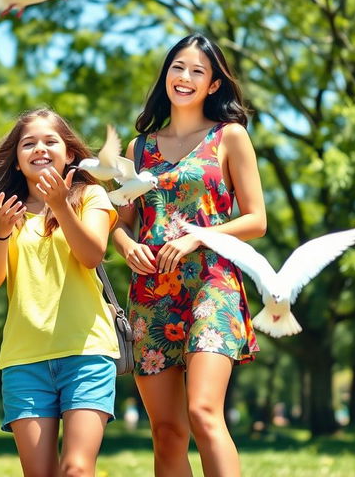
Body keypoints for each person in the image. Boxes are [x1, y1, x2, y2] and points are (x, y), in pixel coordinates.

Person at [112, 34, 266, 477]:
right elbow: (121, 223)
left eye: (198, 71)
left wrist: (198, 236)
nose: (185, 77)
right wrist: (127, 247)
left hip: (213, 284)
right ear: (166, 75)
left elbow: (256, 220)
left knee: (202, 412)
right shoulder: (139, 149)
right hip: (151, 290)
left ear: (214, 85)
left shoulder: (229, 137)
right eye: (178, 67)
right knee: (166, 430)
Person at [0, 108, 120, 477]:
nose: (40, 149)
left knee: (76, 469)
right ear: (16, 160)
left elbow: (92, 254)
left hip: (87, 353)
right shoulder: (1, 212)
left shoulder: (91, 195)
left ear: (71, 153)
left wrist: (61, 205)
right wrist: (0, 230)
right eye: (28, 143)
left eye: (50, 141)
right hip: (24, 361)